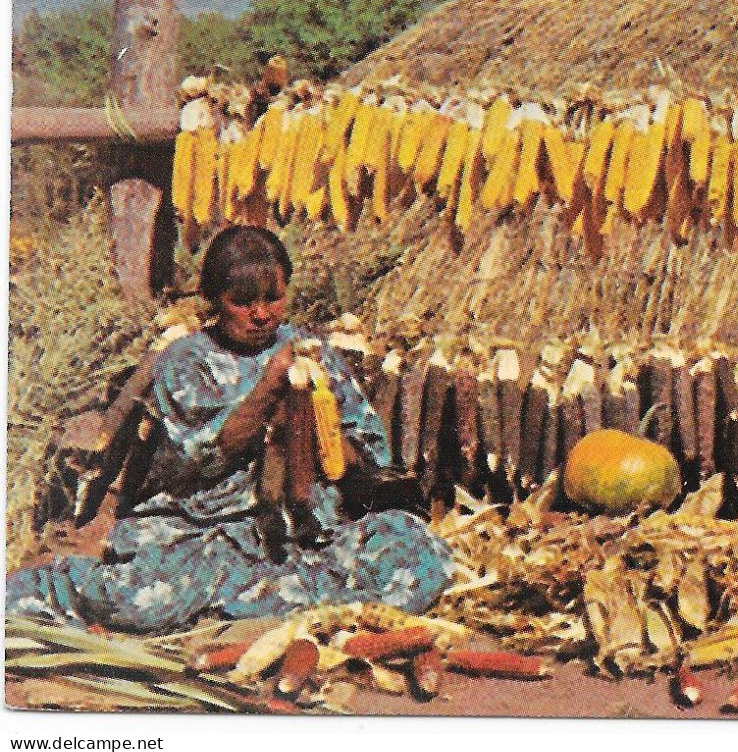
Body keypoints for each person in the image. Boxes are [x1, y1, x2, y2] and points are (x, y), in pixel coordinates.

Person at [7, 226, 453, 633]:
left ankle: (243, 608)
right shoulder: (186, 360)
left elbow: (370, 455)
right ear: (215, 299)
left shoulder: (313, 354)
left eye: (273, 298)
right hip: (207, 529)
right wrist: (266, 392)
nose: (261, 314)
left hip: (308, 530)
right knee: (144, 603)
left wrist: (322, 435)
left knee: (418, 555)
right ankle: (57, 585)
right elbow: (198, 458)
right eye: (243, 302)